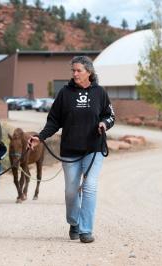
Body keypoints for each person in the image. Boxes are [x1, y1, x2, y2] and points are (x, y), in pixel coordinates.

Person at [27, 56, 115, 243]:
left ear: (88, 72)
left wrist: (104, 123)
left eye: (78, 70)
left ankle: (85, 230)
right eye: (73, 70)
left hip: (94, 149)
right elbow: (53, 121)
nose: (74, 73)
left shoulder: (100, 92)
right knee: (71, 191)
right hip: (70, 150)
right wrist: (40, 137)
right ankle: (74, 222)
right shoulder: (65, 94)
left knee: (90, 187)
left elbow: (110, 116)